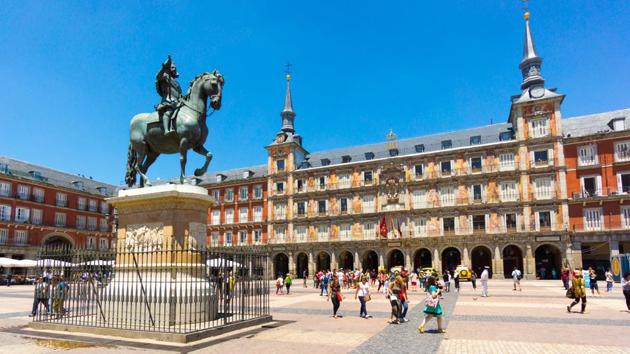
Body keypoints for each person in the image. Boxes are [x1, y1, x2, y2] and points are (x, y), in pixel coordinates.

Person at [155, 55, 182, 137]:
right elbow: (157, 76)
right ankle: (166, 130)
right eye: (172, 67)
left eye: (175, 68)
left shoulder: (177, 83)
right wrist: (164, 67)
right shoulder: (164, 76)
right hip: (168, 101)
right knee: (169, 111)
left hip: (177, 102)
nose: (174, 69)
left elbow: (179, 94)